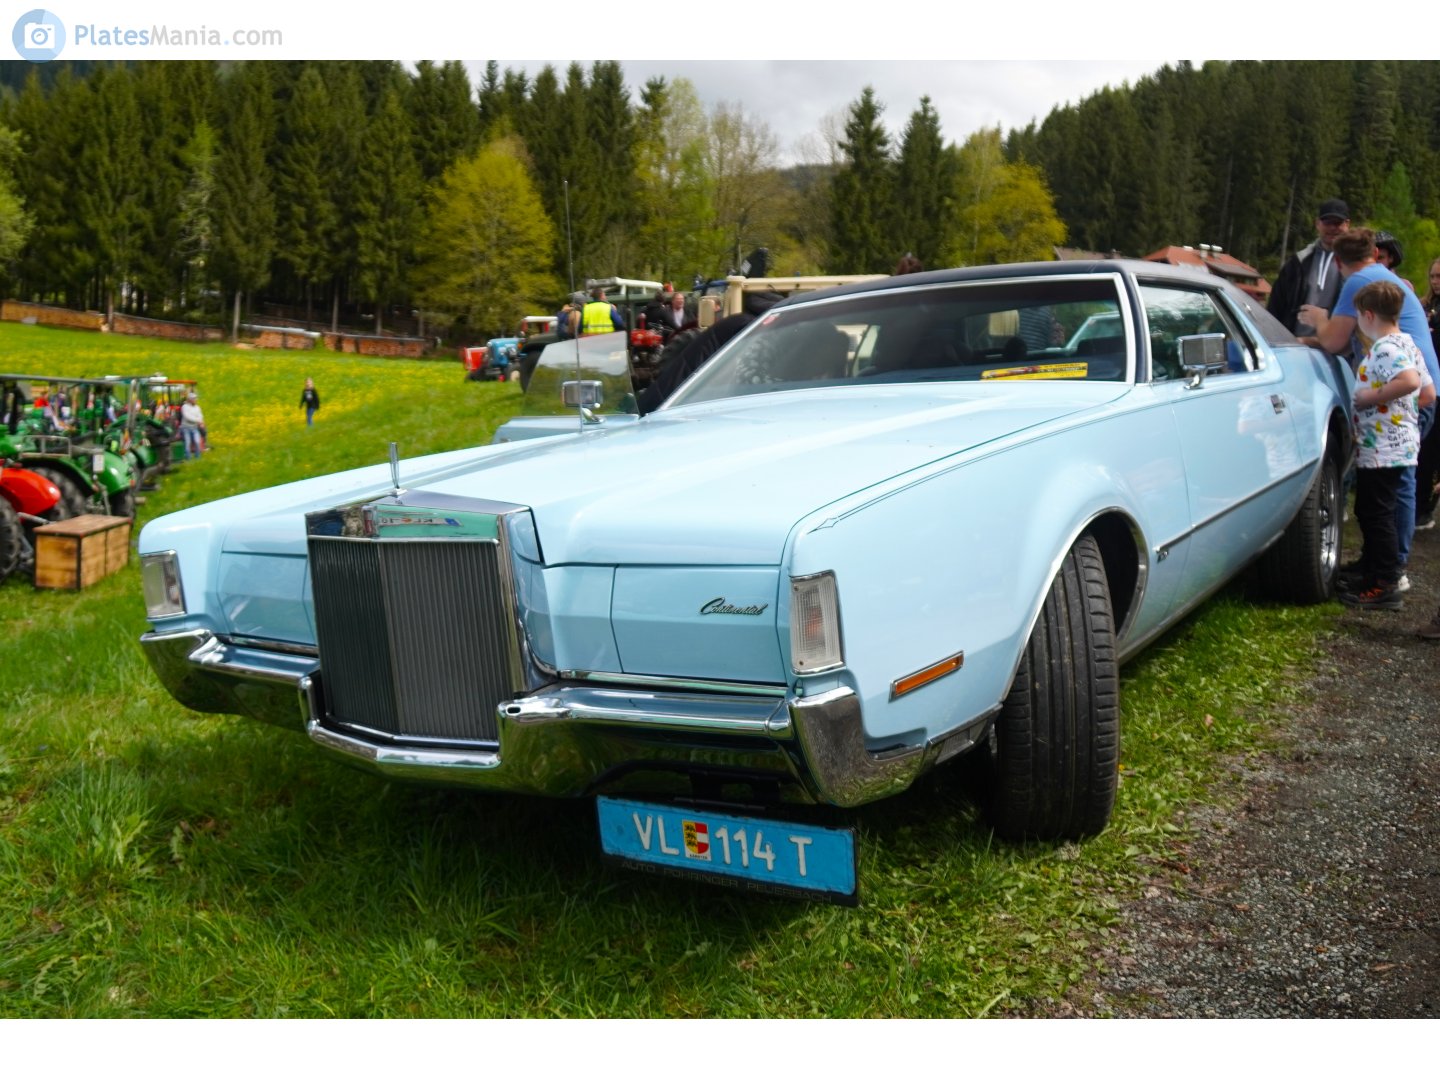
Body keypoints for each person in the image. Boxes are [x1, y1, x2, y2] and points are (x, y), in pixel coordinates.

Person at [1301, 228, 1440, 590]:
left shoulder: (1362, 286)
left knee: (1382, 503)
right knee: (1385, 499)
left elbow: (1334, 341)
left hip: (1388, 441)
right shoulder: (1395, 304)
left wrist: (1318, 322)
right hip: (1408, 421)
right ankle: (1381, 565)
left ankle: (1390, 574)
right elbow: (1424, 391)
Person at [1335, 281, 1426, 610]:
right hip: (1399, 444)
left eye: (1358, 315)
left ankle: (1385, 583)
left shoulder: (1386, 348)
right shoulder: (1409, 343)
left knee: (1377, 514)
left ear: (1368, 314)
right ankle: (1371, 570)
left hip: (1383, 448)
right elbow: (1426, 393)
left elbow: (1411, 381)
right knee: (1372, 509)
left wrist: (1370, 397)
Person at [1268, 198, 1350, 335]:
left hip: (1336, 347)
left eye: (1337, 223)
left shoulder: (1354, 265)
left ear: (1347, 225)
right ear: (1318, 224)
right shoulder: (1298, 262)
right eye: (1327, 222)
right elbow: (1276, 305)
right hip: (1295, 344)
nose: (1332, 228)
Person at [1416, 256, 1440, 533]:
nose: (1435, 282)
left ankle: (1425, 509)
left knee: (1433, 451)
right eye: (1432, 276)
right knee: (1424, 446)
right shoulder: (1424, 305)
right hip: (1427, 381)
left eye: (1439, 277)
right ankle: (1419, 504)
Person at [179, 392, 205, 460]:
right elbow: (187, 417)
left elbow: (200, 415)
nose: (196, 400)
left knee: (197, 442)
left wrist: (201, 421)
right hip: (186, 428)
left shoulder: (197, 407)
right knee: (188, 443)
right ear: (190, 400)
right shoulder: (184, 407)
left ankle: (197, 457)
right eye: (194, 399)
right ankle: (188, 458)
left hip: (194, 428)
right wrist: (198, 421)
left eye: (196, 398)